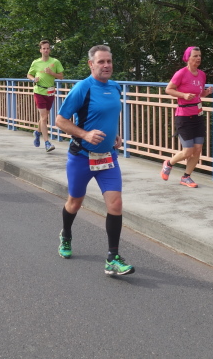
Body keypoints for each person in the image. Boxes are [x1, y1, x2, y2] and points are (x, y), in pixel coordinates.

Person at [55, 45, 134, 276]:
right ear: (91, 64)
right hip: (82, 157)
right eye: (101, 62)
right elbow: (60, 120)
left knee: (115, 204)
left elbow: (109, 115)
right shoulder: (83, 88)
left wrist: (115, 135)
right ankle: (66, 235)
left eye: (109, 61)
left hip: (107, 157)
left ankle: (112, 258)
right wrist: (85, 134)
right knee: (74, 202)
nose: (106, 65)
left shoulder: (115, 87)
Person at [160, 46, 213, 188]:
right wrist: (183, 95)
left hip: (198, 115)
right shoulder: (181, 73)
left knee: (198, 149)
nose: (198, 58)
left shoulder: (202, 75)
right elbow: (168, 89)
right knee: (188, 151)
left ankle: (186, 177)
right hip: (183, 116)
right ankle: (168, 163)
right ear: (187, 58)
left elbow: (199, 94)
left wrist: (206, 92)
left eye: (199, 56)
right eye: (195, 56)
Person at [27, 40, 64, 152]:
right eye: (44, 48)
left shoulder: (55, 62)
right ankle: (47, 143)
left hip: (50, 92)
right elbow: (29, 74)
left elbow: (61, 77)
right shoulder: (36, 62)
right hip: (39, 90)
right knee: (44, 117)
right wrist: (33, 79)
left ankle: (37, 132)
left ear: (50, 50)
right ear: (40, 50)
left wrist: (51, 73)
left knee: (45, 116)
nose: (46, 50)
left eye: (47, 48)